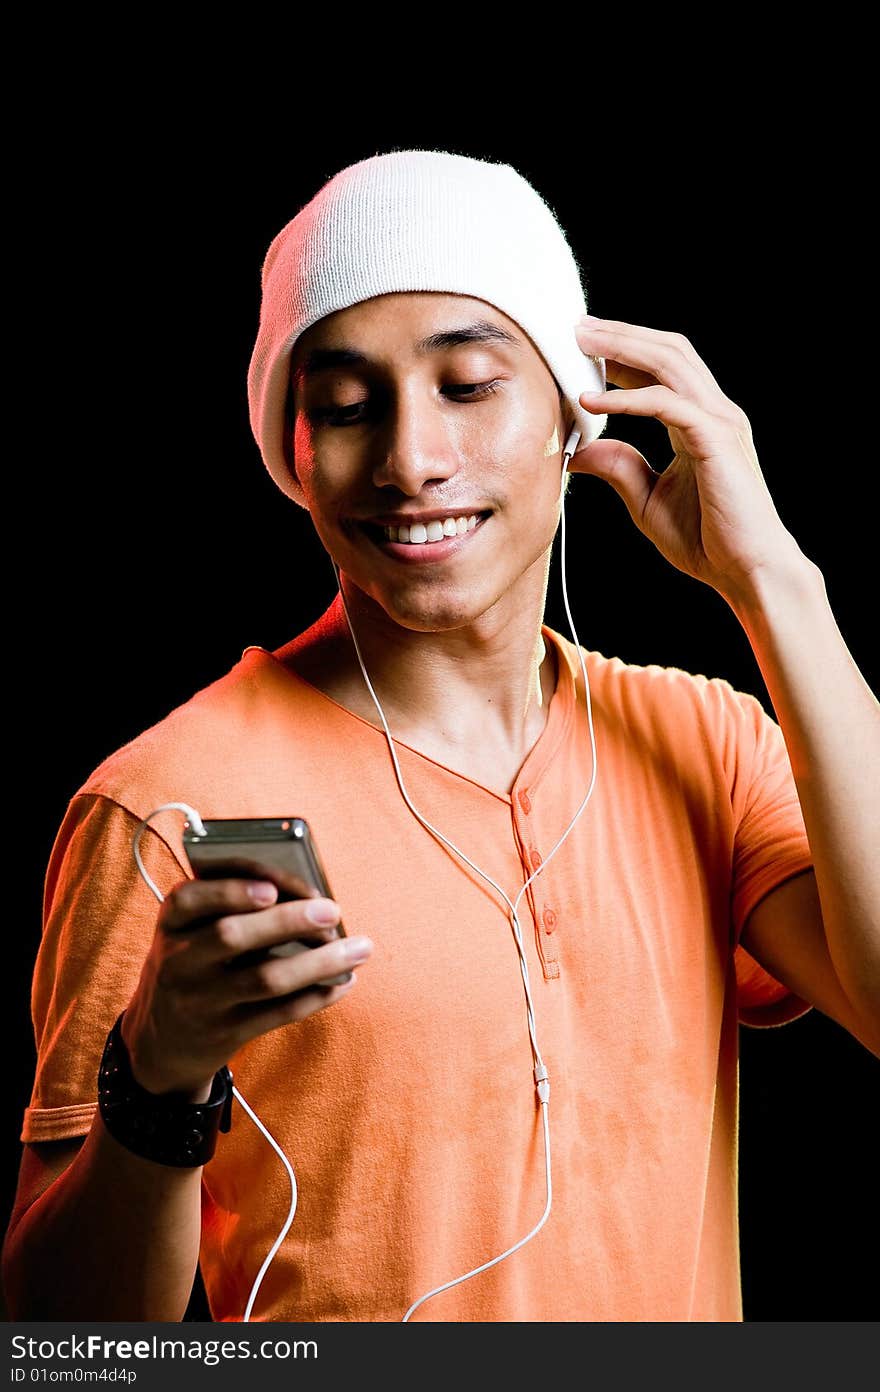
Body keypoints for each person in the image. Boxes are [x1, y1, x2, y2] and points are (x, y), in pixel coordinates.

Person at [3, 149, 878, 1324]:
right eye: (349, 406)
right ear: (292, 450)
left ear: (575, 410)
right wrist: (154, 1080)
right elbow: (68, 1349)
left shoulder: (705, 744)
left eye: (468, 384)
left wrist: (774, 580)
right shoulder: (170, 804)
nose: (413, 460)